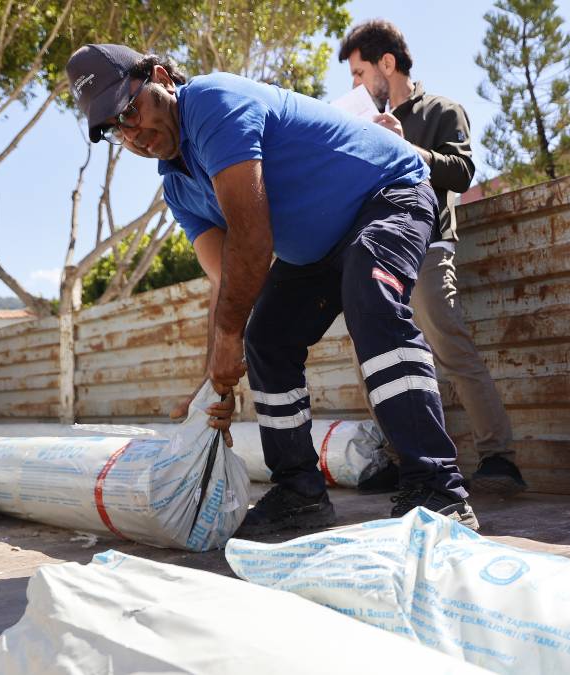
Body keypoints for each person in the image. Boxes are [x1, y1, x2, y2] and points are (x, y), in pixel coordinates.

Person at [66, 44, 477, 535]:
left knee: (371, 295)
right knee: (265, 337)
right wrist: (213, 382)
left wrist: (227, 340)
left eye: (131, 110)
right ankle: (299, 492)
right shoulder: (177, 187)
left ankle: (437, 489)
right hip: (318, 249)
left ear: (161, 78)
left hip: (387, 194)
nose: (131, 134)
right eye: (116, 129)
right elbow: (228, 281)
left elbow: (252, 238)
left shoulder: (212, 102)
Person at [337, 20, 525, 495]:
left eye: (359, 73)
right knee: (374, 353)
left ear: (386, 63)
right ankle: (405, 460)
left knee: (449, 344)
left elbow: (461, 172)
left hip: (429, 246)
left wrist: (403, 146)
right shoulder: (365, 122)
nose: (356, 85)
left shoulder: (442, 110)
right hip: (380, 255)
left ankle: (499, 458)